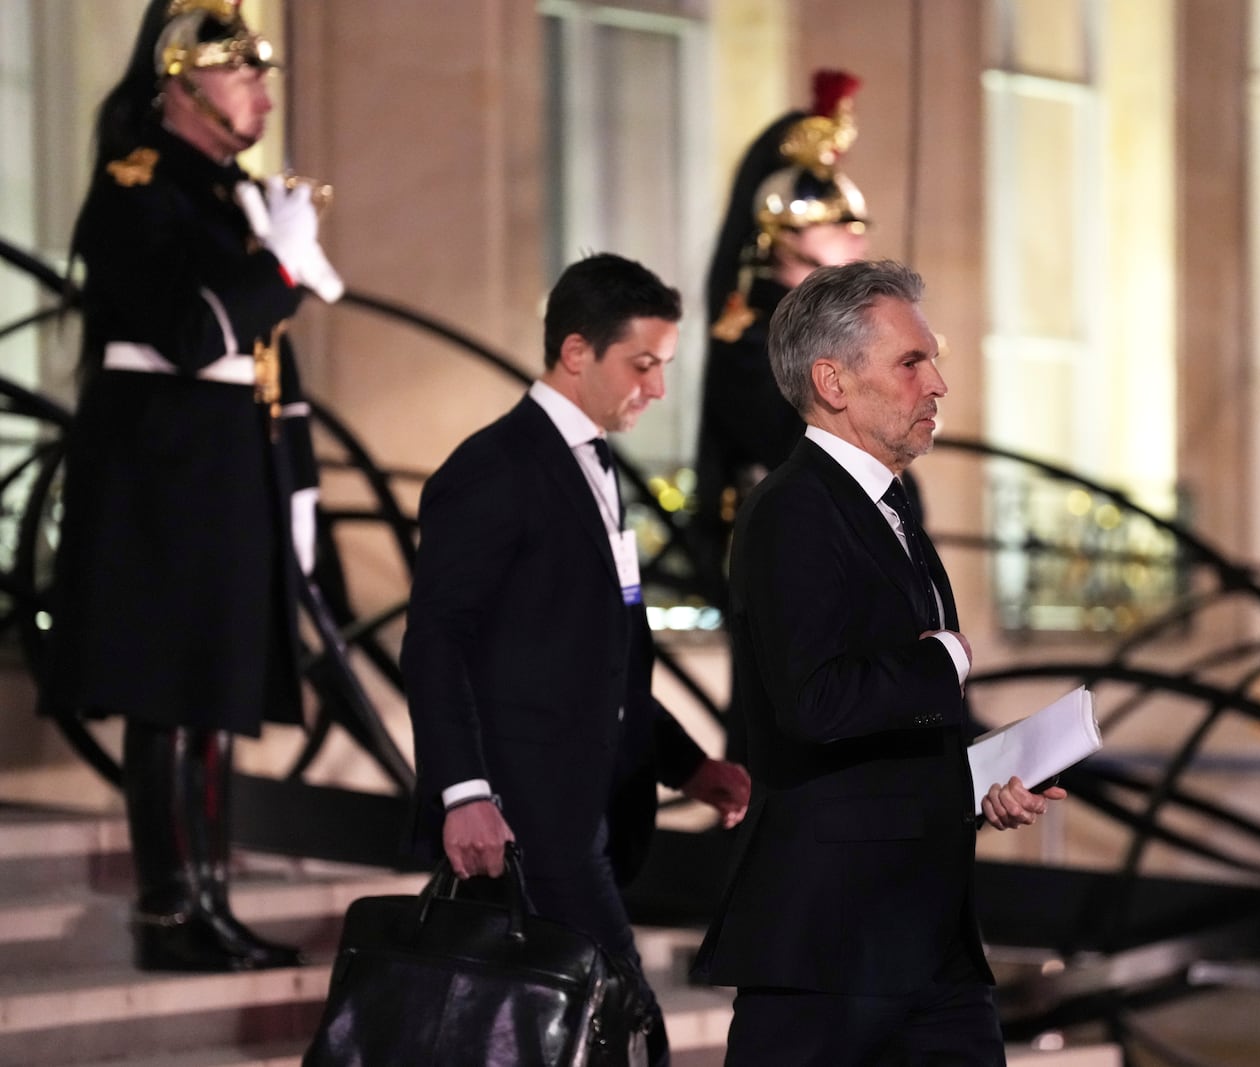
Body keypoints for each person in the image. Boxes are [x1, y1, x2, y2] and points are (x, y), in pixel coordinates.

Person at [691, 260, 1066, 1066]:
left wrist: (981, 784)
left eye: (933, 360)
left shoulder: (891, 507)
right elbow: (816, 704)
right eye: (911, 362)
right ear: (832, 380)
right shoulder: (792, 510)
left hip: (923, 932)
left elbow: (888, 729)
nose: (936, 384)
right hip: (829, 942)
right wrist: (941, 661)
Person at [45, 0, 343, 972]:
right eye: (240, 75)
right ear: (181, 87)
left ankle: (210, 898)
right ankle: (168, 910)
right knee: (166, 696)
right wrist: (282, 263)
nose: (261, 92)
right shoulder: (138, 188)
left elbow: (265, 362)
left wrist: (292, 476)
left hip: (227, 467)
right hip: (159, 475)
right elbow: (191, 332)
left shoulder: (229, 194)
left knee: (215, 695)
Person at [402, 252, 752, 1067]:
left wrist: (689, 765)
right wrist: (463, 791)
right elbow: (435, 639)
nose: (657, 389)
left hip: (590, 810)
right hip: (526, 815)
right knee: (627, 1020)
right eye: (643, 365)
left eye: (663, 367)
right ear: (575, 352)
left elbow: (603, 663)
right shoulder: (491, 467)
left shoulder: (597, 467)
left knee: (564, 1037)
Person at [692, 69, 871, 577]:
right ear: (787, 235)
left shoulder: (828, 326)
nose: (858, 239)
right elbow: (789, 443)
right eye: (841, 225)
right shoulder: (750, 333)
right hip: (789, 549)